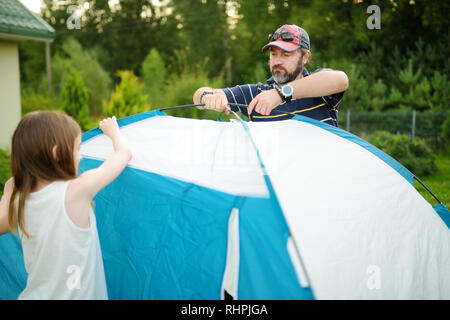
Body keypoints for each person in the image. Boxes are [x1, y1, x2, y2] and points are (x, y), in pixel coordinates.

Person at [0, 110, 132, 299]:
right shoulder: (76, 191)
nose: (81, 157)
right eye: (77, 148)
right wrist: (113, 131)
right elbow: (124, 154)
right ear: (56, 154)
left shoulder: (21, 201)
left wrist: (8, 191)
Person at [193, 24, 349, 126]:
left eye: (286, 55)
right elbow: (199, 94)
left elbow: (341, 79)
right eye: (274, 54)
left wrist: (281, 94)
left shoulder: (318, 89)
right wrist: (207, 96)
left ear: (305, 57)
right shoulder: (256, 94)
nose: (278, 61)